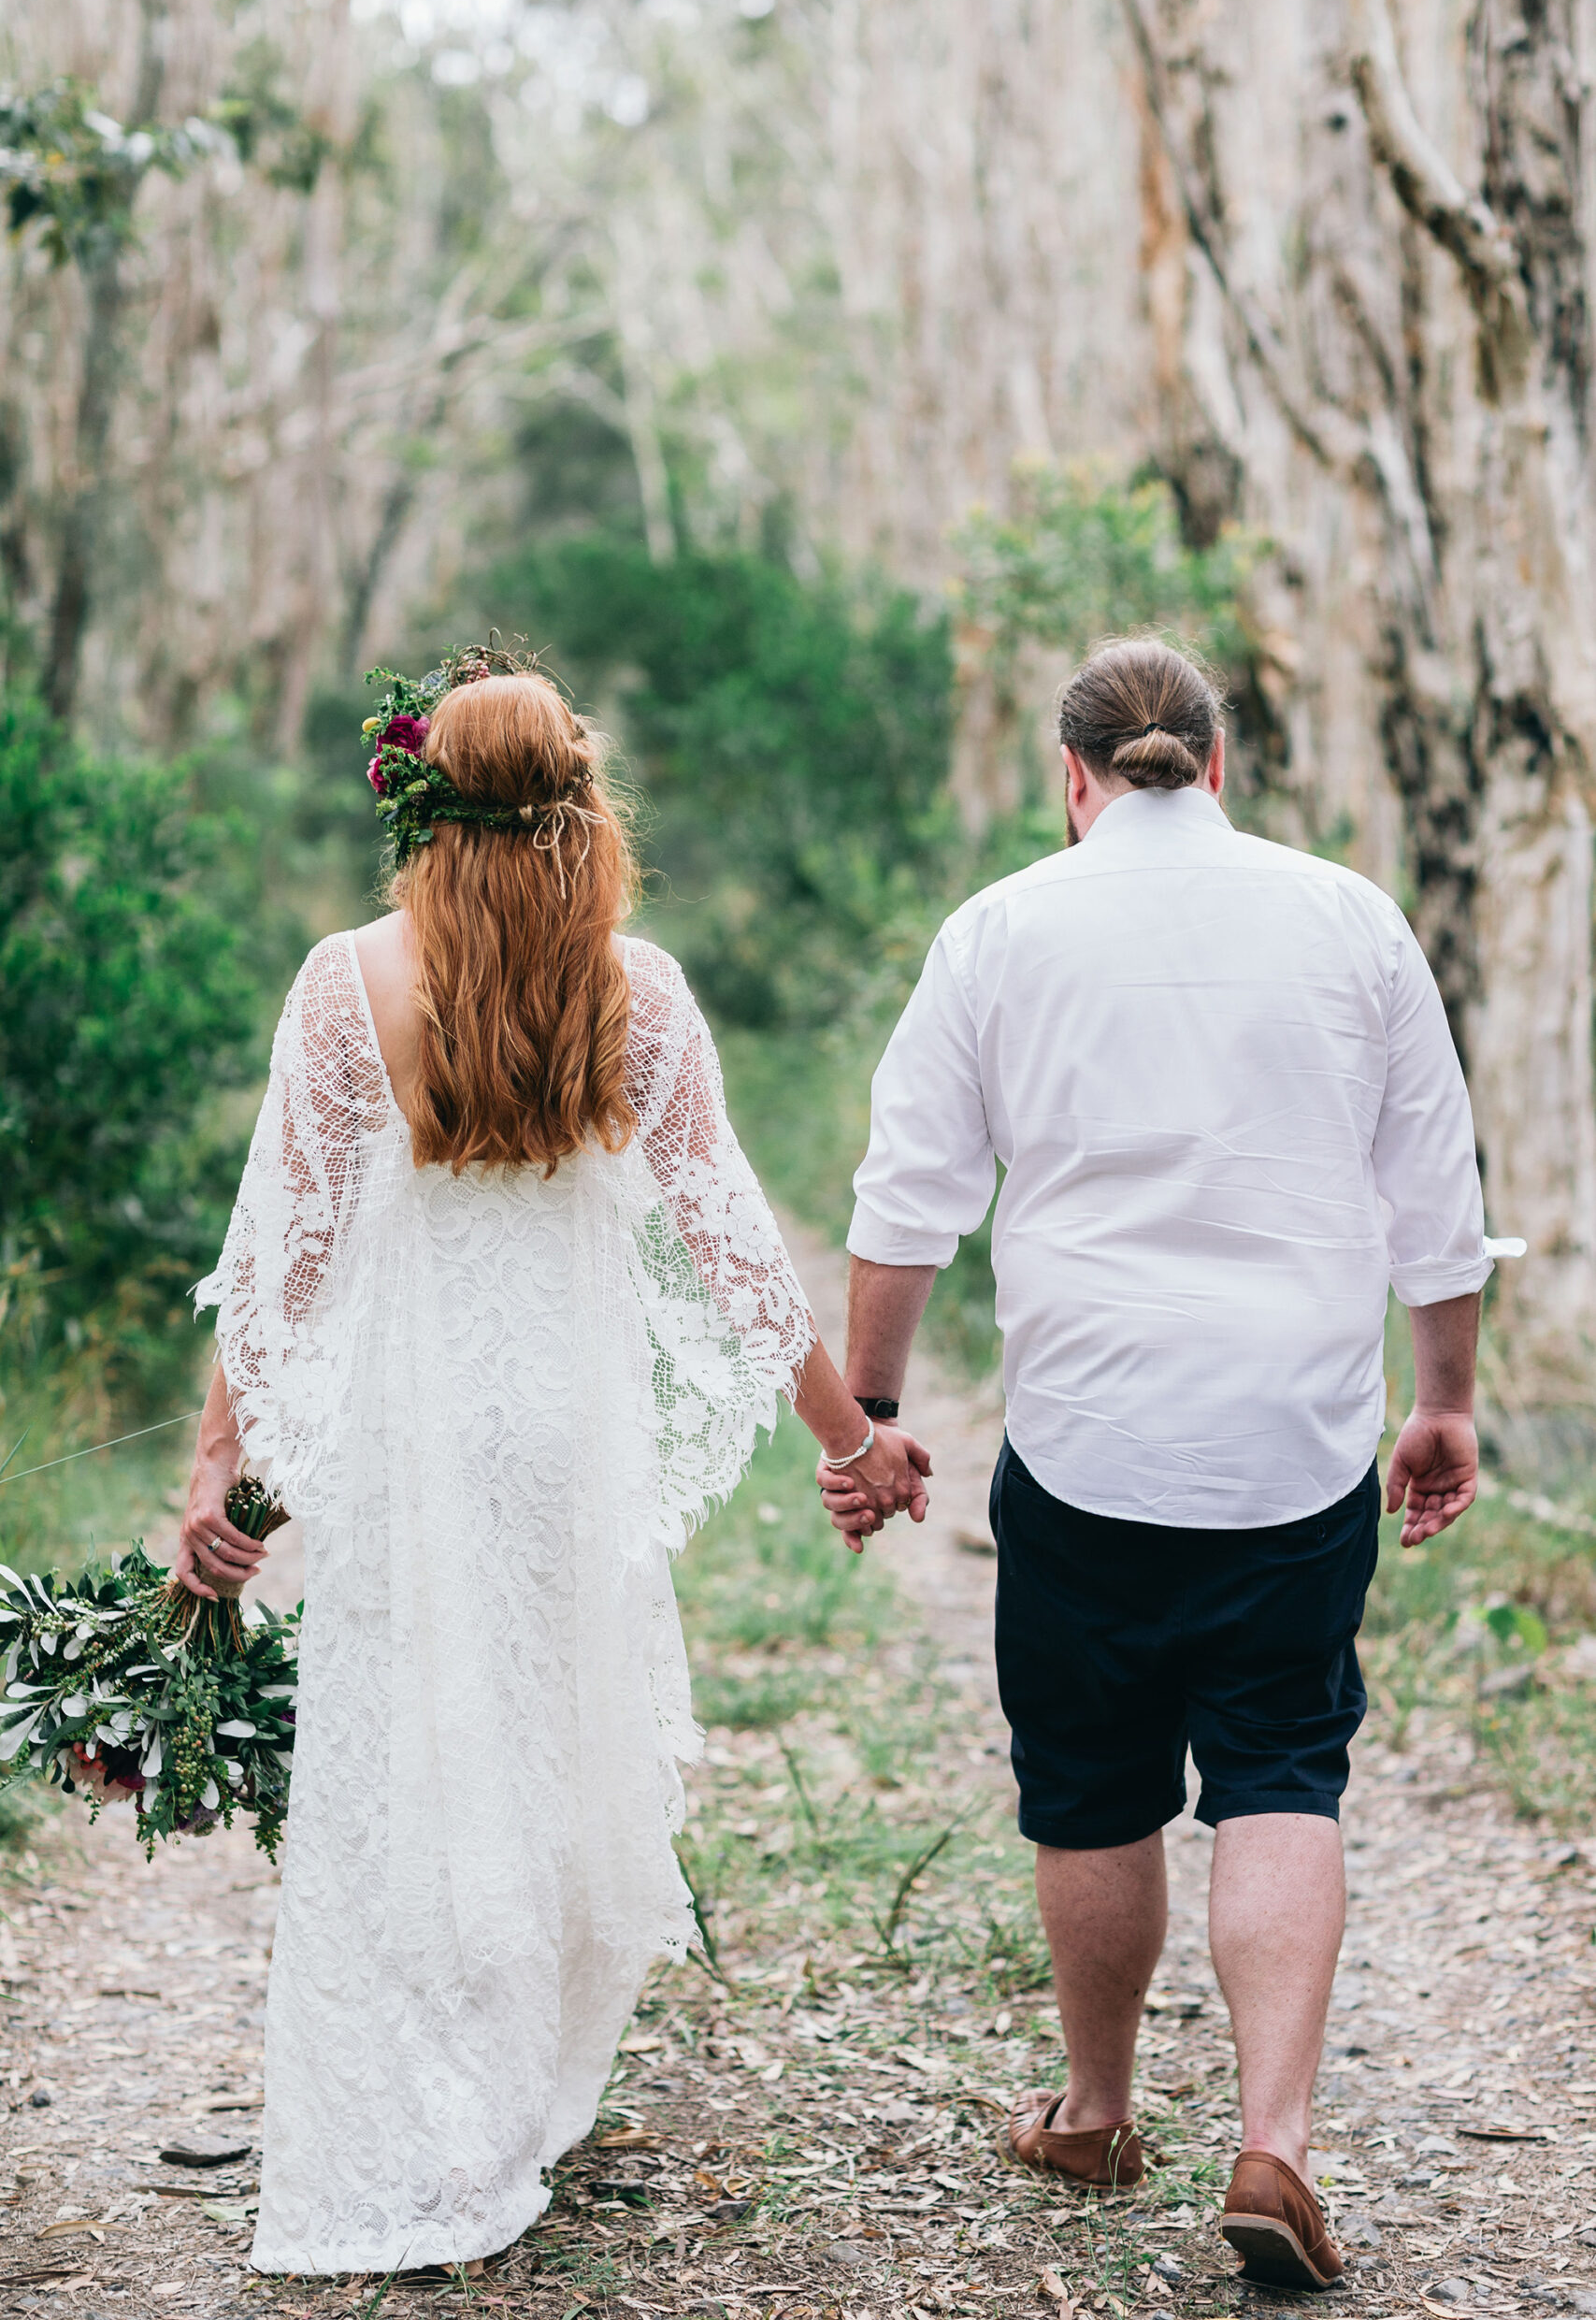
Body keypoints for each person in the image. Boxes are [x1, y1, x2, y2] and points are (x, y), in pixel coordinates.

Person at [180, 648, 929, 2278]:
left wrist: (218, 1476)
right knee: (541, 1747)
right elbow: (736, 1247)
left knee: (409, 1761)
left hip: (405, 1436)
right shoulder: (636, 988)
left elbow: (276, 1259)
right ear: (581, 806)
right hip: (562, 1433)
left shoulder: (343, 981)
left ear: (417, 809)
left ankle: (413, 2130)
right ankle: (511, 2098)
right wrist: (854, 1439)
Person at [819, 637, 1494, 2289]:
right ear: (1217, 761)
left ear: (1073, 780)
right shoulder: (1349, 919)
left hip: (1087, 1448)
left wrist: (882, 1415)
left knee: (1093, 1785)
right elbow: (1437, 1196)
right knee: (1284, 1770)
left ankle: (1103, 2112)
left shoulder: (1000, 930)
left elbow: (909, 1201)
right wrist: (1445, 1403)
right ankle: (1273, 2148)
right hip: (1296, 1445)